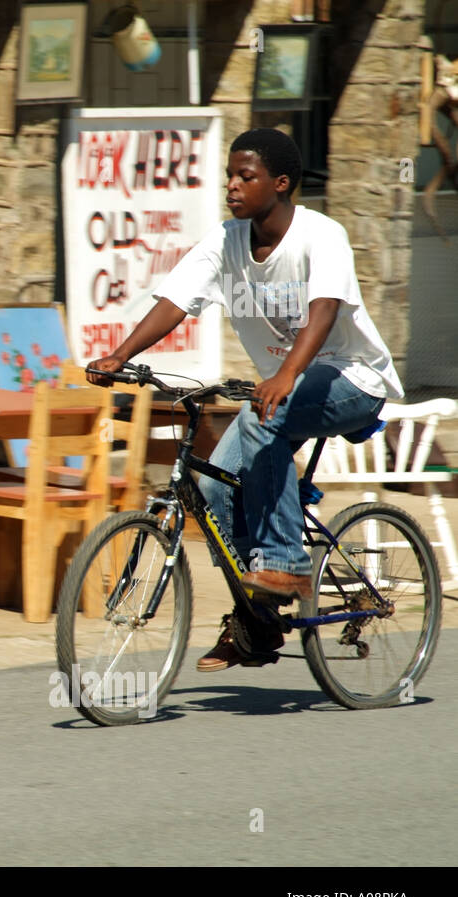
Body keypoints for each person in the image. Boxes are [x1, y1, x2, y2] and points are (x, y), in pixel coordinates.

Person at [86, 128, 404, 672]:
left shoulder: (320, 235)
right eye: (230, 175)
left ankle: (284, 561)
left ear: (280, 184)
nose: (231, 185)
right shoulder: (226, 240)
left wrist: (284, 374)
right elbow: (174, 301)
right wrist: (119, 354)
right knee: (211, 488)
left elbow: (323, 309)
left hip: (352, 380)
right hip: (284, 385)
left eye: (245, 176)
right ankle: (257, 621)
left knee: (263, 418)